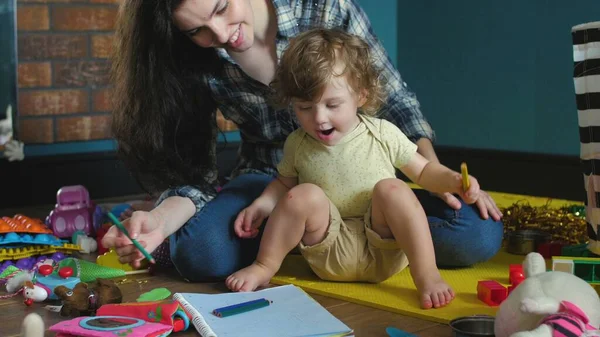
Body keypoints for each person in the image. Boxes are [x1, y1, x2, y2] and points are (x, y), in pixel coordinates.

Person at [102, 0, 504, 282]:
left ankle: (292, 240)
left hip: (369, 197)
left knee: (477, 233)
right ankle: (279, 237)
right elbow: (195, 174)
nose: (222, 34)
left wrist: (443, 178)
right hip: (277, 183)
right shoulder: (190, 61)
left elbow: (395, 102)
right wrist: (158, 222)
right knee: (199, 253)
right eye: (198, 31)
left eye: (222, 8)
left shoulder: (323, 7)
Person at [226, 28, 472, 309]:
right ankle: (264, 266)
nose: (319, 118)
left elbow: (425, 173)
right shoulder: (298, 143)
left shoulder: (382, 133)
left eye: (332, 104)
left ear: (361, 96)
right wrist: (261, 206)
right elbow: (283, 184)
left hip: (383, 246)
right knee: (302, 194)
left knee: (392, 188)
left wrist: (452, 180)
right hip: (327, 250)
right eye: (305, 107)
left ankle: (427, 275)